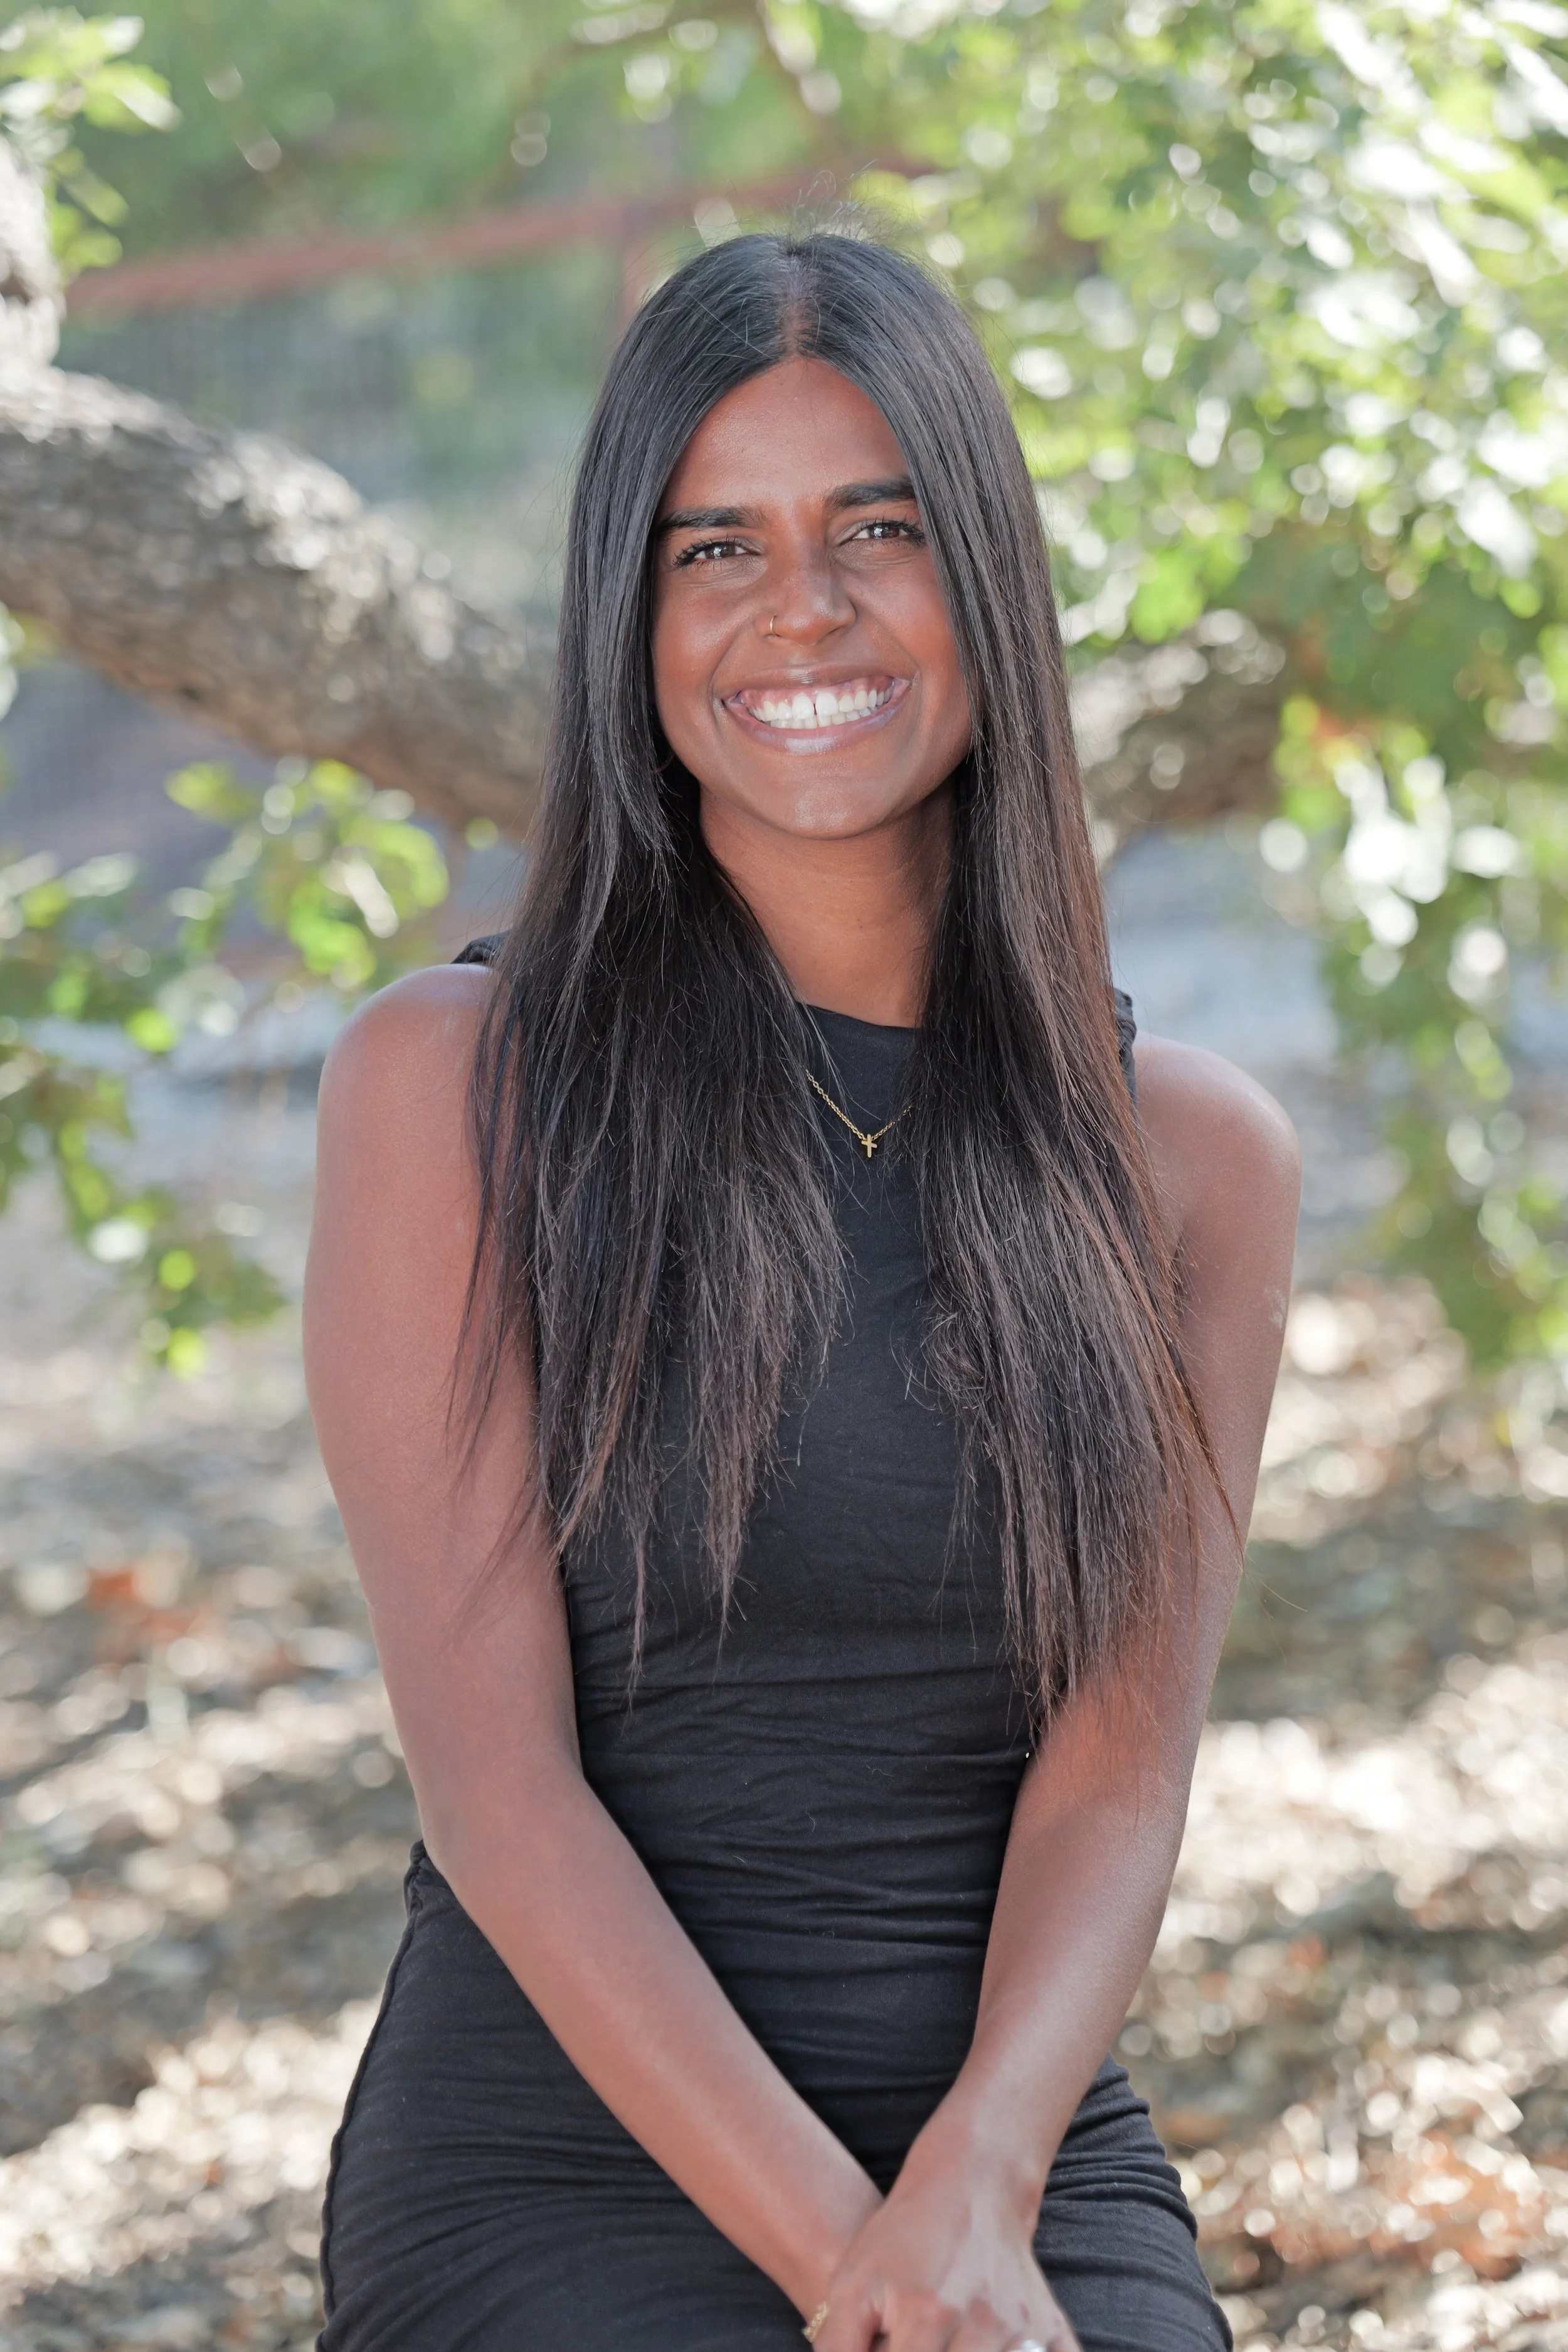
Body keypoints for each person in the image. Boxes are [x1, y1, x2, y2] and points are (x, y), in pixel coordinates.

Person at [303, 227, 1300, 2352]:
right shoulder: (452, 1091)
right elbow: (498, 1791)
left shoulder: (1189, 1161)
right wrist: (857, 2270)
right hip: (563, 2144)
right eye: (713, 548)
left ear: (986, 583)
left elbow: (1120, 1769)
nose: (801, 610)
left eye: (878, 526)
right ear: (628, 615)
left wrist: (972, 2190)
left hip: (1007, 2138)